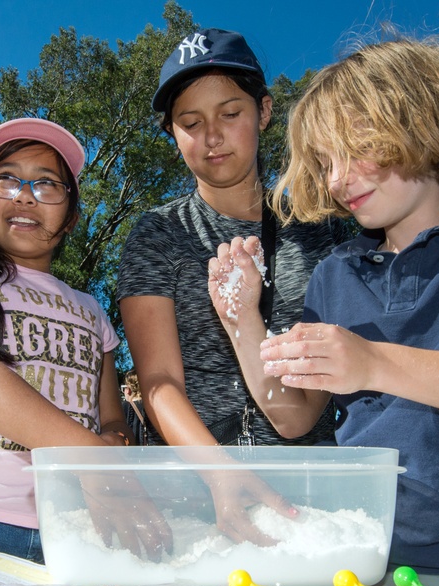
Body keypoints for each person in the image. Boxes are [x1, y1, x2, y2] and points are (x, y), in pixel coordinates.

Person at [209, 38, 439, 576]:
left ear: (417, 116)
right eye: (325, 162)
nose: (337, 179)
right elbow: (293, 416)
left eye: (355, 146)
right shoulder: (336, 274)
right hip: (357, 565)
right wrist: (242, 319)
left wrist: (374, 364)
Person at [0, 118, 166, 562]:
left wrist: (113, 443)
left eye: (46, 183)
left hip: (78, 524)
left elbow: (111, 417)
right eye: (5, 179)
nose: (24, 193)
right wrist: (93, 461)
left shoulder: (92, 310)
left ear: (72, 216)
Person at [117, 28, 347, 452]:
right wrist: (220, 477)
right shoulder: (157, 235)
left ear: (263, 111)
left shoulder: (324, 230)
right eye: (190, 122)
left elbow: (312, 400)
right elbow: (159, 383)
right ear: (173, 133)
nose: (212, 136)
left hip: (311, 485)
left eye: (230, 113)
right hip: (194, 489)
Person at [121, 369, 152, 446]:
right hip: (151, 453)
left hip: (131, 454)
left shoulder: (123, 408)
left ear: (128, 390)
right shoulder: (153, 407)